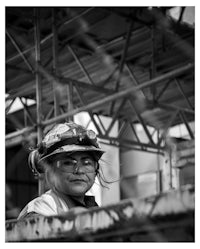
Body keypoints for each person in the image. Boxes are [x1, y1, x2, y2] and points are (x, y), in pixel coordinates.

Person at [17, 122, 105, 220]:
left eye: (87, 162)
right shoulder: (40, 210)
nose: (79, 170)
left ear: (95, 169)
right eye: (68, 163)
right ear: (50, 170)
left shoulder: (94, 209)